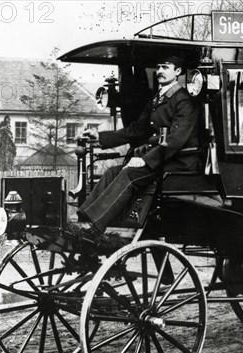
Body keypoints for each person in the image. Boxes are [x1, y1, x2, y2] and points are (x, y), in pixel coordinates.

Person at [74, 55, 200, 239]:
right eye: (158, 67)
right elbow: (136, 129)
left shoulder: (183, 100)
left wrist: (145, 160)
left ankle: (95, 226)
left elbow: (175, 140)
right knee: (112, 172)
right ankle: (83, 220)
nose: (160, 71)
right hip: (160, 159)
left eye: (165, 67)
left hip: (178, 162)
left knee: (129, 174)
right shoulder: (158, 98)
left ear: (178, 72)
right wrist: (99, 136)